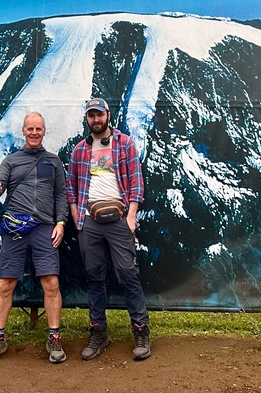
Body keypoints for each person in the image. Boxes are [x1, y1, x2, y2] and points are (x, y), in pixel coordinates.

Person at [66, 98, 151, 361]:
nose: (96, 119)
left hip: (118, 219)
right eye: (91, 116)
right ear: (87, 119)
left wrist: (131, 217)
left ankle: (141, 330)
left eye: (99, 115)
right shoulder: (79, 150)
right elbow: (71, 189)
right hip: (89, 221)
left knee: (127, 274)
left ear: (108, 115)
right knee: (94, 276)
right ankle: (99, 331)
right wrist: (78, 220)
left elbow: (136, 181)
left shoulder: (124, 144)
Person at [0, 111, 68, 364]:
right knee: (6, 284)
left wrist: (61, 223)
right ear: (23, 131)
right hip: (15, 229)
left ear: (43, 132)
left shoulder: (54, 162)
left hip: (44, 228)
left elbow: (61, 196)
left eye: (38, 129)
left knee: (51, 283)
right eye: (30, 129)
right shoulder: (10, 161)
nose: (34, 133)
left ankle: (54, 337)